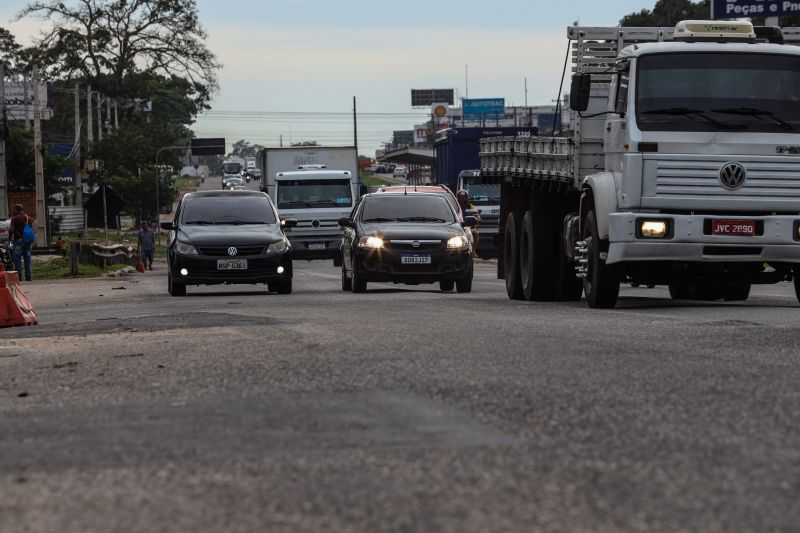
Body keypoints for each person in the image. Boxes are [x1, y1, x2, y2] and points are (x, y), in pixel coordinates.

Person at [9, 204, 34, 281]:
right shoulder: (28, 218)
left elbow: (12, 230)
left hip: (18, 241)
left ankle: (19, 277)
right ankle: (28, 276)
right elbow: (31, 230)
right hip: (27, 241)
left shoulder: (14, 218)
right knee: (28, 259)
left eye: (14, 209)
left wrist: (9, 237)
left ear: (16, 210)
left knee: (17, 260)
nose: (13, 211)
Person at [456, 189, 480, 257]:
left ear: (467, 198)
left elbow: (477, 215)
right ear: (457, 197)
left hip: (467, 225)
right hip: (457, 225)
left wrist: (476, 221)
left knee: (475, 233)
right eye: (460, 197)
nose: (462, 199)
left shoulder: (470, 206)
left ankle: (473, 251)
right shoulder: (454, 205)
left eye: (464, 197)